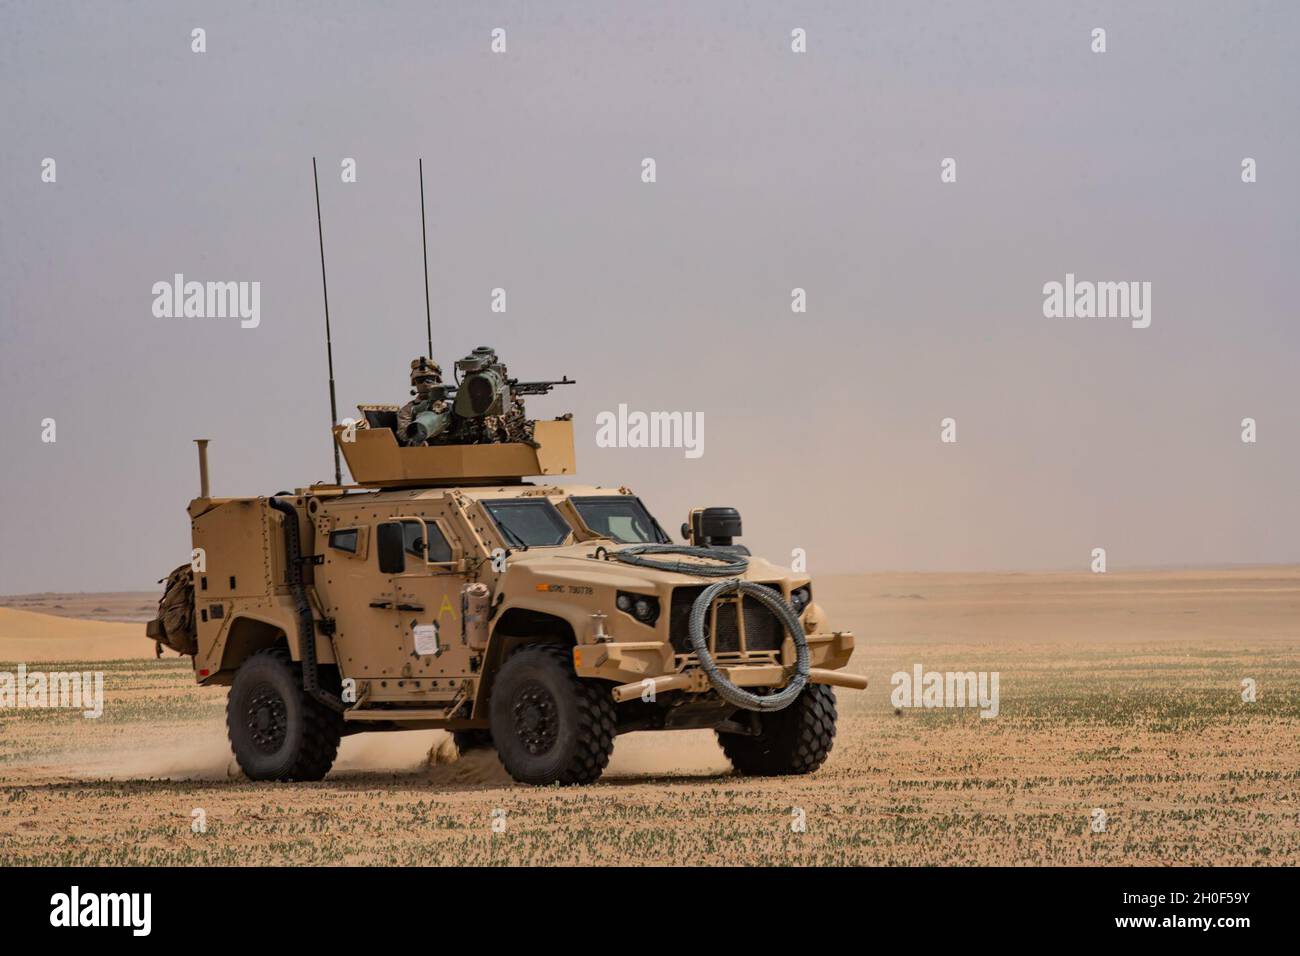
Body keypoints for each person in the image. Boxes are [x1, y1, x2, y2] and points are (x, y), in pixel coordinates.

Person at [395, 357, 443, 446]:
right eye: (420, 380)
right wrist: (417, 439)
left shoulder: (448, 406)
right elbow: (404, 433)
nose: (425, 383)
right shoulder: (408, 409)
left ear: (437, 380)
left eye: (430, 379)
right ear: (414, 383)